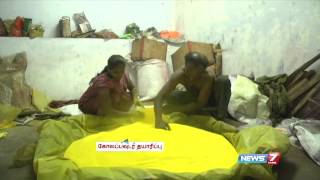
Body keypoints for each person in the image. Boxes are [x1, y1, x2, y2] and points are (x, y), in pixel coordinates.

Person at [154, 52, 231, 130]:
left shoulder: (207, 77)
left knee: (223, 80)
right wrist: (158, 120)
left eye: (198, 73)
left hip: (210, 101)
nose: (192, 76)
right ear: (186, 66)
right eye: (189, 70)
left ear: (203, 71)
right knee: (172, 96)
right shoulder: (179, 74)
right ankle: (204, 113)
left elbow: (200, 103)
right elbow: (160, 96)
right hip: (195, 98)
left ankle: (220, 116)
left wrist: (175, 109)